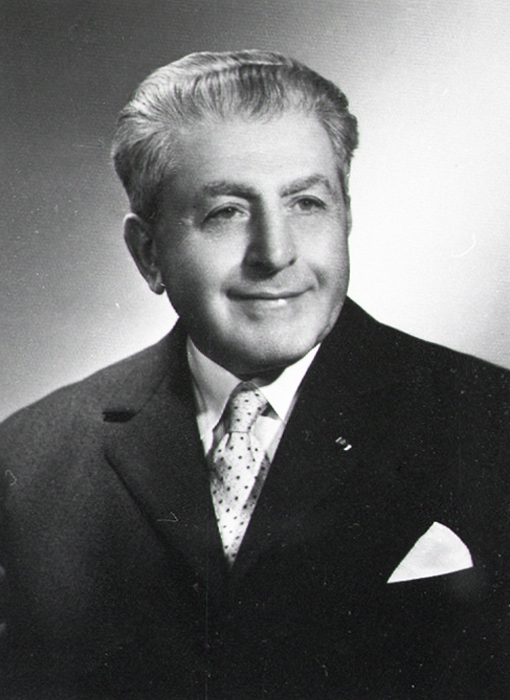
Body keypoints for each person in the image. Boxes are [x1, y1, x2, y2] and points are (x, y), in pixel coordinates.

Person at [0, 50, 509, 700]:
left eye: (306, 203)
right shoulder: (28, 466)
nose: (276, 252)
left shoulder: (490, 424)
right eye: (226, 212)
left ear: (347, 218)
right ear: (148, 253)